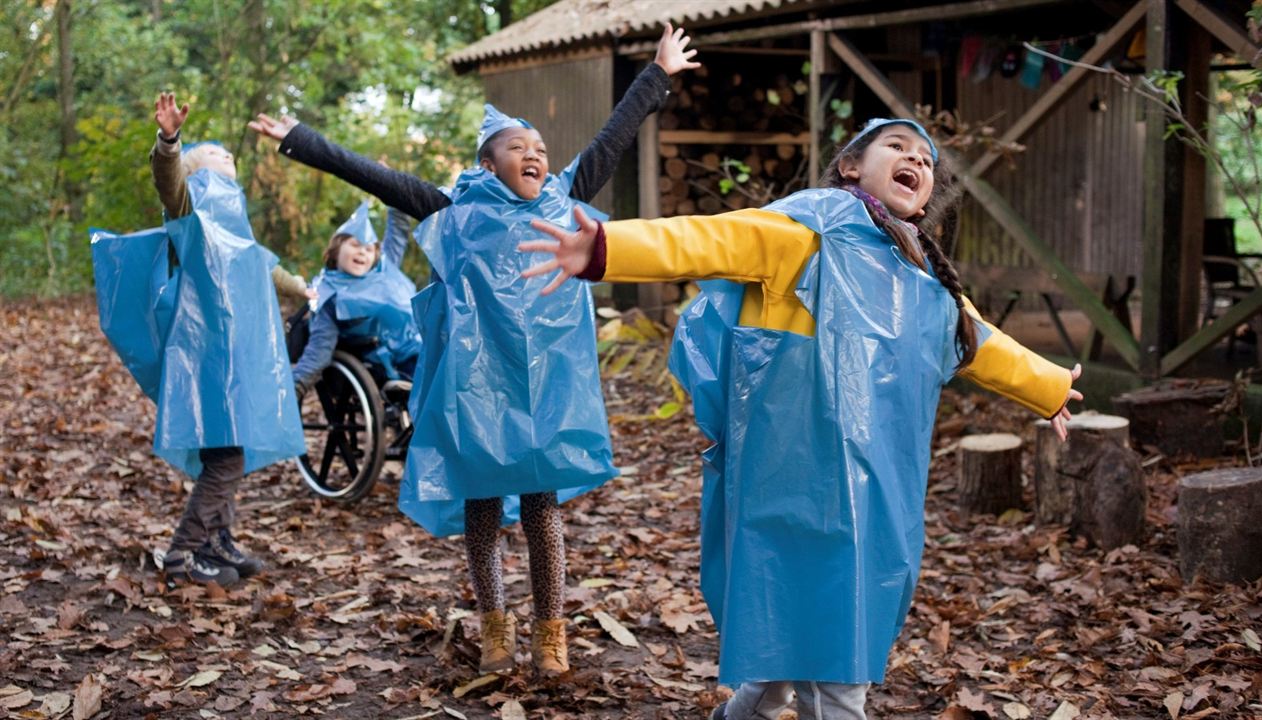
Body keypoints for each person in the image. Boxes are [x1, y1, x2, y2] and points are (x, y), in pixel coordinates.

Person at [523, 118, 1083, 718]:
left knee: (780, 660)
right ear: (849, 166)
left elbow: (978, 342)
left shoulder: (922, 276)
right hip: (790, 478)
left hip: (873, 491)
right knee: (832, 662)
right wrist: (605, 248)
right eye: (897, 147)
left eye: (926, 160)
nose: (915, 162)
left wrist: (1047, 385)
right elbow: (709, 238)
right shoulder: (803, 235)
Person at [248, 24, 700, 676]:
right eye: (519, 146)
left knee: (543, 511)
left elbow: (611, 141)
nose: (536, 153)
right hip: (478, 390)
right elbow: (377, 177)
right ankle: (495, 625)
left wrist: (656, 73)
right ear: (488, 163)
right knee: (482, 510)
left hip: (544, 389)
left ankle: (550, 630)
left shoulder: (563, 201)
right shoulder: (450, 213)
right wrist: (301, 141)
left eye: (541, 145)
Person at [92, 93, 308, 588]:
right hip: (206, 358)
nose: (225, 155)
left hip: (238, 355)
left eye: (227, 154)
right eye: (213, 154)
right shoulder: (192, 210)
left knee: (229, 451)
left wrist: (303, 288)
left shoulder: (237, 224)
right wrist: (170, 143)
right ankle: (183, 552)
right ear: (195, 170)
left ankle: (218, 541)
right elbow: (169, 185)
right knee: (226, 457)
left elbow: (266, 266)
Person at [292, 200, 419, 396]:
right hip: (374, 364)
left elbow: (398, 232)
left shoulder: (383, 269)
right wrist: (297, 384)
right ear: (336, 250)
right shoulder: (327, 292)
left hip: (413, 349)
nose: (362, 251)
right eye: (355, 245)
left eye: (369, 249)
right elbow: (320, 347)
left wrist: (390, 189)